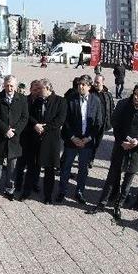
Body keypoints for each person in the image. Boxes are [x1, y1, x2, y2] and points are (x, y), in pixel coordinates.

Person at [88, 84, 138, 220]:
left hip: (135, 153)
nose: (135, 97)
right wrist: (121, 141)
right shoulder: (124, 106)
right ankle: (101, 204)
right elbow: (115, 124)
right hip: (120, 148)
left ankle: (118, 206)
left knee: (127, 183)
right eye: (135, 94)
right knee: (111, 179)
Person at [57, 75, 100, 204]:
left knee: (83, 169)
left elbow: (98, 122)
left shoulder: (95, 101)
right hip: (72, 141)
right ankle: (62, 191)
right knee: (66, 167)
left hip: (87, 142)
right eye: (79, 84)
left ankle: (79, 191)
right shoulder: (71, 99)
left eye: (83, 84)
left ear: (89, 86)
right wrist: (72, 137)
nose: (80, 86)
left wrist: (88, 138)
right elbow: (66, 121)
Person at [24, 78, 66, 204]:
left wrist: (44, 128)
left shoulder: (60, 101)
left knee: (49, 170)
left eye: (40, 88)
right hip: (36, 138)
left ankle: (48, 195)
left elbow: (60, 120)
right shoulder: (37, 100)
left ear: (47, 89)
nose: (38, 91)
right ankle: (26, 191)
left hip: (51, 140)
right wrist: (35, 124)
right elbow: (29, 115)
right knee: (32, 167)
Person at [0, 75, 29, 200]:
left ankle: (9, 189)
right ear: (4, 85)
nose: (9, 88)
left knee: (12, 167)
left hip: (14, 139)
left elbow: (24, 117)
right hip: (0, 137)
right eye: (7, 85)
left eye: (12, 85)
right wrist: (5, 129)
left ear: (15, 86)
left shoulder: (22, 99)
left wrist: (14, 131)